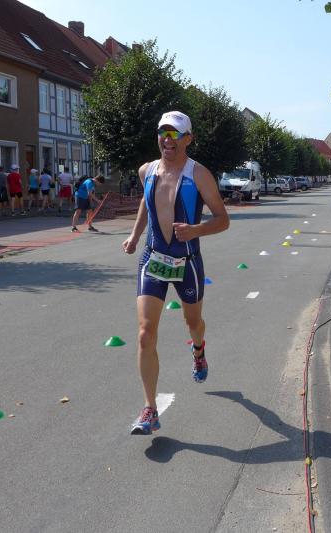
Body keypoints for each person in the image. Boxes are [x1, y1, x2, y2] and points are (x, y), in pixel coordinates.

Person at [122, 111, 229, 435]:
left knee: (192, 322)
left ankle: (198, 350)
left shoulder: (200, 175)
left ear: (188, 139)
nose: (167, 140)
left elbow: (222, 219)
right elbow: (147, 202)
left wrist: (196, 230)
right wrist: (135, 235)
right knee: (145, 332)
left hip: (187, 261)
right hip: (153, 258)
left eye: (175, 134)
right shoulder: (147, 171)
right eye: (163, 133)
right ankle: (150, 409)